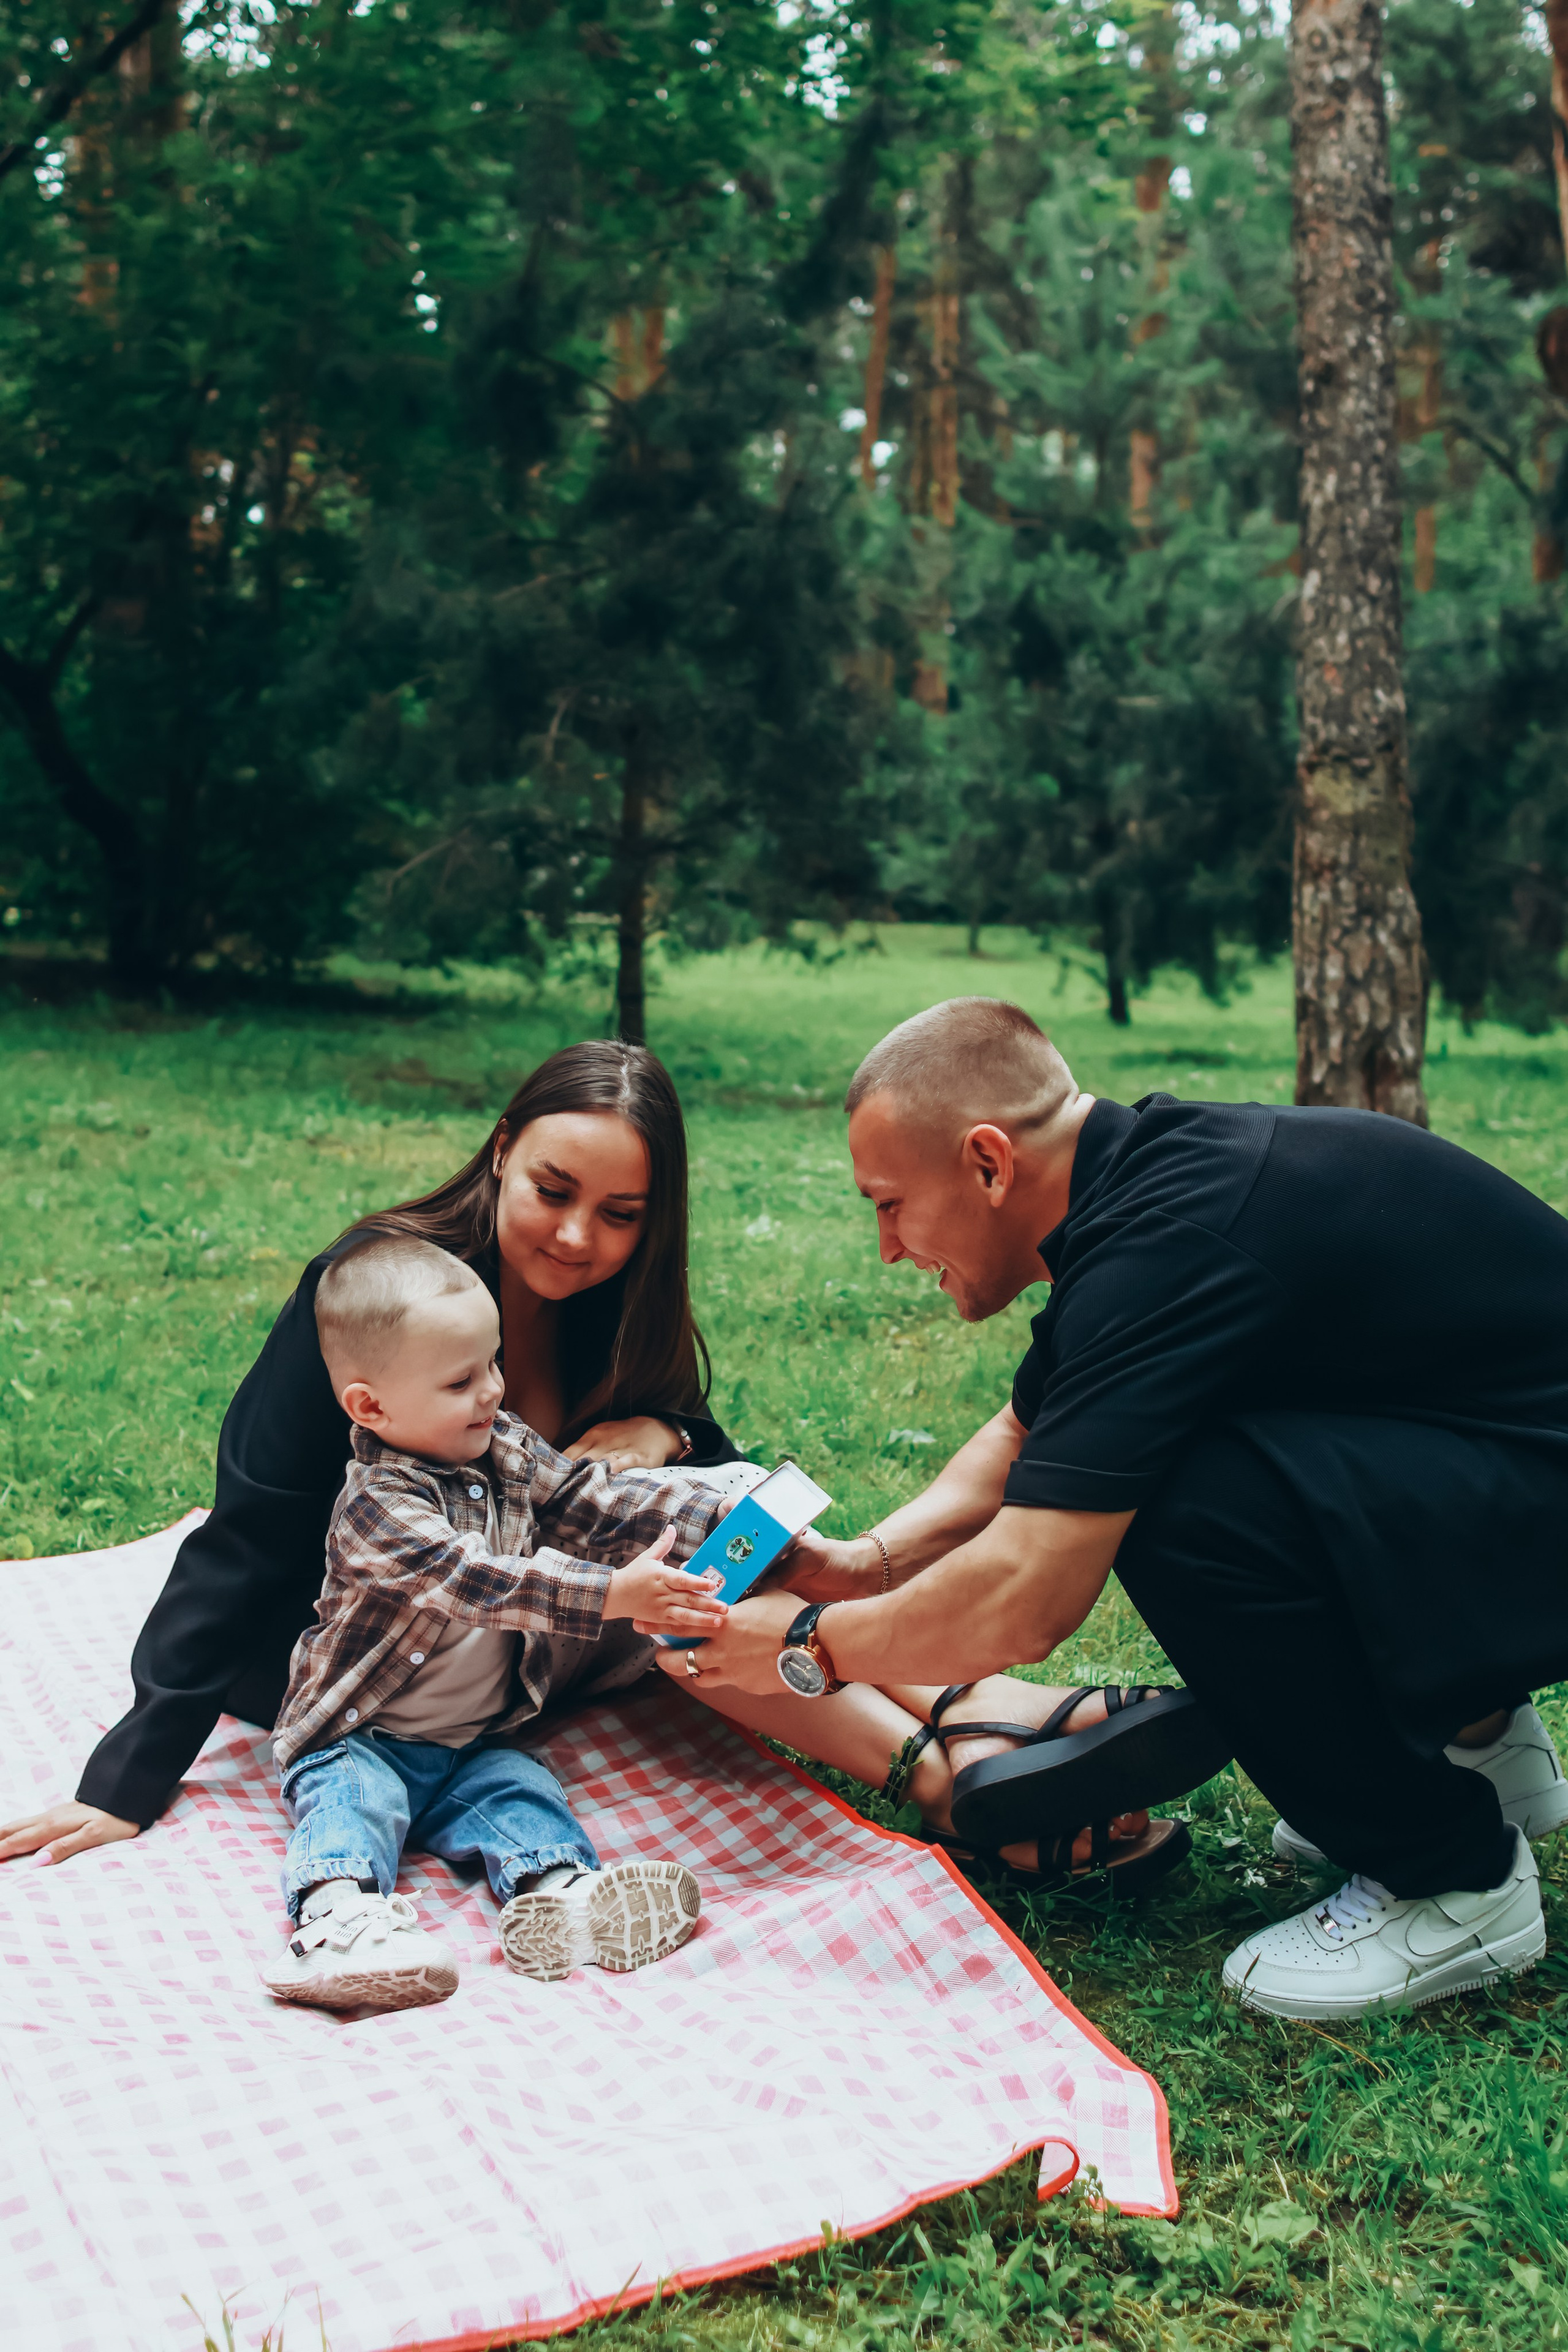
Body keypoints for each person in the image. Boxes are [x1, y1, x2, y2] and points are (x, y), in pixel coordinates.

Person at [677, 997, 1568, 2021]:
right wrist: (862, 1565)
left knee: (1182, 1501)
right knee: (1173, 1451)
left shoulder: (1170, 1241)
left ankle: (1449, 1877)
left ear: (987, 1164)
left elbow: (1031, 1593)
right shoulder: (1155, 1183)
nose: (886, 1248)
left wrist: (807, 1647)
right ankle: (1479, 1742)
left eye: (888, 1204)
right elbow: (1026, 1433)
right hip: (1518, 1479)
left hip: (1538, 1504)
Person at [0, 1040, 739, 1869]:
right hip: (374, 1658)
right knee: (717, 1571)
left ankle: (911, 1724)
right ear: (502, 1151)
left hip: (517, 1656)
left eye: (621, 1214)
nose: (577, 1236)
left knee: (742, 1542)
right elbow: (251, 1529)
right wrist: (126, 1779)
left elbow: (705, 1467)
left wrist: (669, 1433)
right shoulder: (390, 1299)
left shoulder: (617, 1300)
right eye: (552, 1190)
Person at [263, 1235, 732, 2008]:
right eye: (459, 1381)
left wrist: (712, 1514)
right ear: (370, 1406)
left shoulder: (503, 1445)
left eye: (493, 1364)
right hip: (361, 1736)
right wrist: (615, 1593)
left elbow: (591, 1499)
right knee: (355, 1811)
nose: (490, 1392)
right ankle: (339, 1925)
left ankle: (564, 1900)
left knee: (521, 1793)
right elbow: (477, 1581)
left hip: (470, 1743)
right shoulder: (378, 1506)